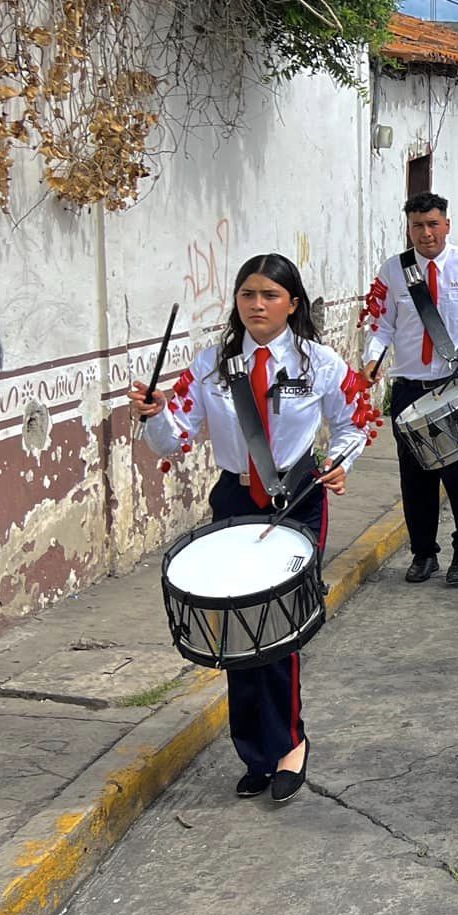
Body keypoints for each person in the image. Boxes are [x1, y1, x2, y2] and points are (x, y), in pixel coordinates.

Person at [133, 254, 378, 803]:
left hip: (298, 500)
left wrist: (339, 462)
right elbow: (175, 440)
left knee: (277, 627)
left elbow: (355, 420)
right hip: (234, 498)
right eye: (248, 294)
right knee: (234, 632)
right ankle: (254, 751)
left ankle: (290, 743)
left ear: (292, 303)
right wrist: (153, 416)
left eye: (270, 295)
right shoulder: (211, 367)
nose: (257, 305)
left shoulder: (320, 363)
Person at [363, 193, 458, 587]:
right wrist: (372, 359)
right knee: (415, 478)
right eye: (418, 226)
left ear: (447, 225)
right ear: (409, 228)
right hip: (410, 388)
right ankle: (423, 553)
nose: (426, 233)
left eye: (433, 224)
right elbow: (382, 324)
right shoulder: (394, 270)